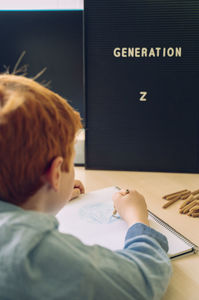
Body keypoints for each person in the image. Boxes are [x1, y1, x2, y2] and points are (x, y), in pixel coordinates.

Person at [0, 74, 172, 300]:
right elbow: (142, 280)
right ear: (55, 174)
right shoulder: (34, 255)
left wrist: (46, 197)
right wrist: (137, 219)